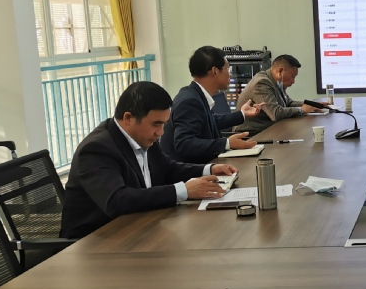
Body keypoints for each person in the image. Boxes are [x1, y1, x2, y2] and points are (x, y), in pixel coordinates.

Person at [61, 81, 237, 239]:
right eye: (156, 124)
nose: (161, 132)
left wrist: (208, 169)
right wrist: (184, 190)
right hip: (95, 243)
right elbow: (117, 200)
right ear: (128, 118)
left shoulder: (142, 136)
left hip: (137, 228)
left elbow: (167, 168)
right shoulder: (97, 149)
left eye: (163, 124)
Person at [160, 46, 266, 163]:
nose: (230, 74)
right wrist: (227, 143)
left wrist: (242, 114)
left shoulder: (195, 94)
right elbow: (184, 144)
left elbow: (210, 121)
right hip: (188, 171)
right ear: (215, 71)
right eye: (227, 69)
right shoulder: (189, 101)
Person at [233, 54, 324, 136]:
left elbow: (288, 103)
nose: (293, 81)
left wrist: (312, 105)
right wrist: (301, 110)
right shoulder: (261, 83)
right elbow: (275, 113)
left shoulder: (276, 81)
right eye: (292, 76)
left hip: (268, 130)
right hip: (251, 135)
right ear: (280, 71)